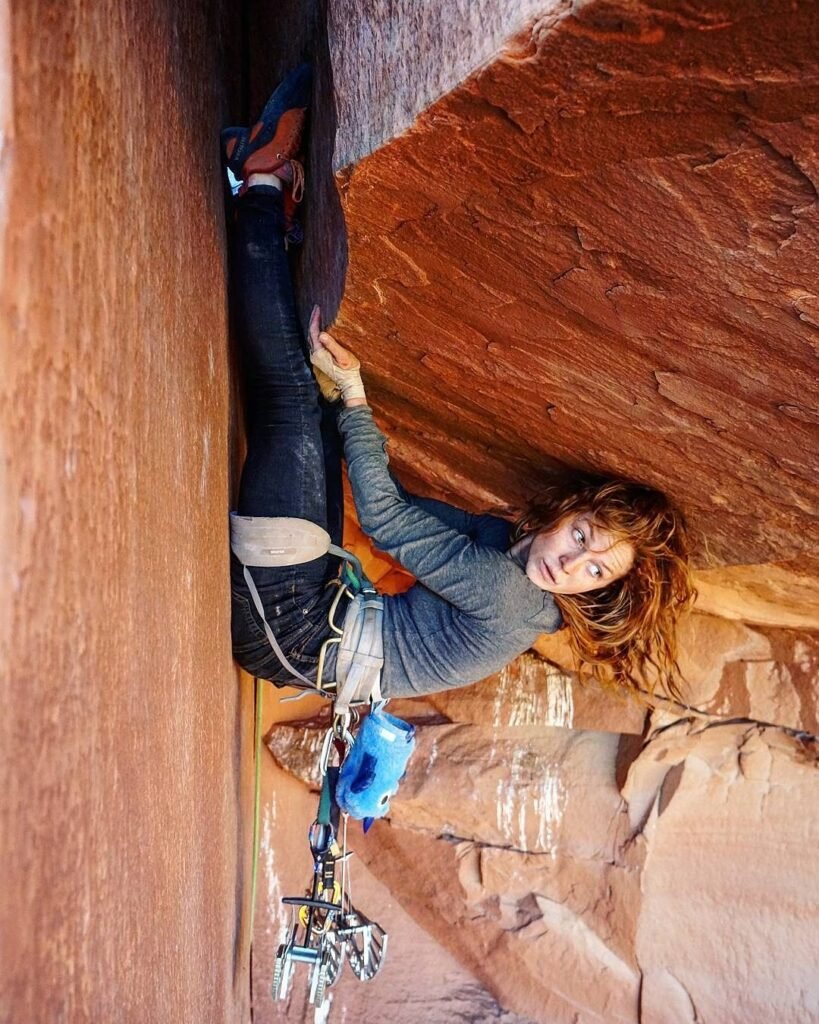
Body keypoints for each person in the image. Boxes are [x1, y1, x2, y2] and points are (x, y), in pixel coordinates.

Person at [225, 66, 695, 706]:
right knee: (316, 416)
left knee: (288, 396)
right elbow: (407, 511)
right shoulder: (506, 549)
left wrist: (358, 396)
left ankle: (257, 180)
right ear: (565, 514)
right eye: (583, 538)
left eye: (595, 571)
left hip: (287, 626)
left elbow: (389, 524)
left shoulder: (512, 598)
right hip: (316, 611)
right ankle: (271, 209)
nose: (572, 565)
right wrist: (346, 414)